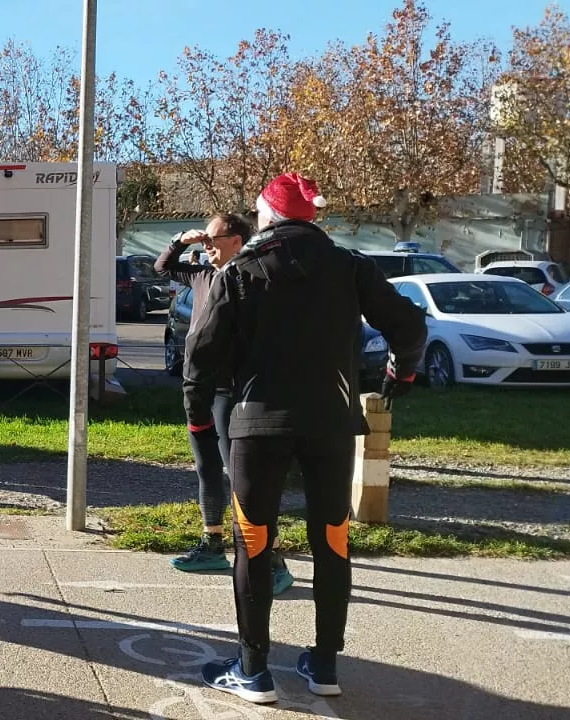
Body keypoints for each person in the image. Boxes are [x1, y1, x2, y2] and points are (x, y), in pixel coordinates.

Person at [187, 173, 427, 704]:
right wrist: (400, 372)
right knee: (332, 539)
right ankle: (324, 665)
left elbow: (200, 354)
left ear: (268, 215)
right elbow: (410, 327)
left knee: (254, 542)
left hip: (257, 422)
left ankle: (253, 671)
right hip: (331, 423)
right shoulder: (350, 266)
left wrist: (198, 418)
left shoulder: (240, 269)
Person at [157, 216, 296, 596]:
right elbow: (163, 267)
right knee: (206, 468)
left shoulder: (249, 278)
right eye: (204, 239)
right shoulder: (203, 276)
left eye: (212, 238)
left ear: (237, 241)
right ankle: (212, 543)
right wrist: (181, 240)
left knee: (242, 478)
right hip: (198, 389)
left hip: (231, 391)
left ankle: (273, 559)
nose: (207, 246)